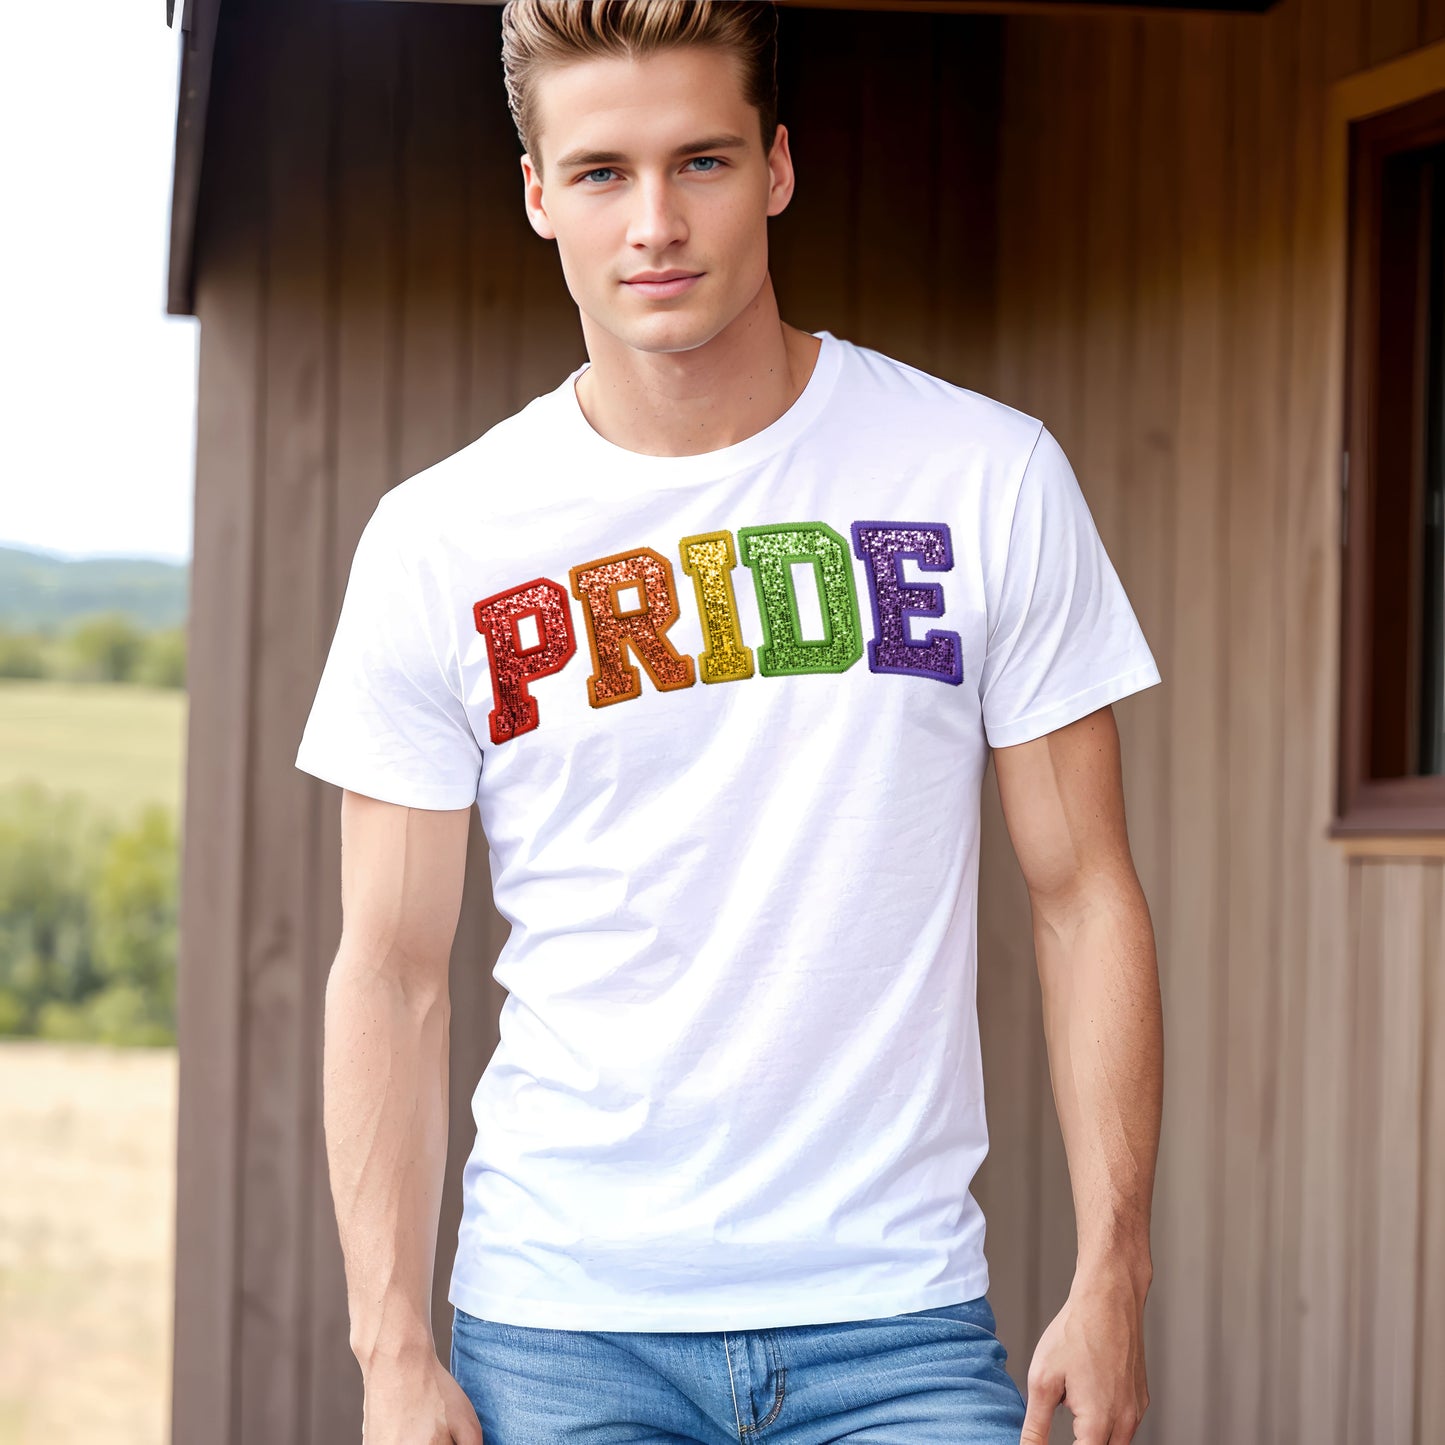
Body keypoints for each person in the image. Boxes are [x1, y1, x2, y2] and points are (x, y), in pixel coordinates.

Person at [294, 2, 1163, 1442]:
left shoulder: (983, 476)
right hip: (560, 1331)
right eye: (600, 174)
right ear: (534, 196)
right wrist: (392, 1349)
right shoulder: (438, 538)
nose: (654, 223)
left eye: (698, 161)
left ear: (774, 167)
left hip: (896, 1323)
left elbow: (1082, 896)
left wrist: (1115, 1269)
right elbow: (387, 971)